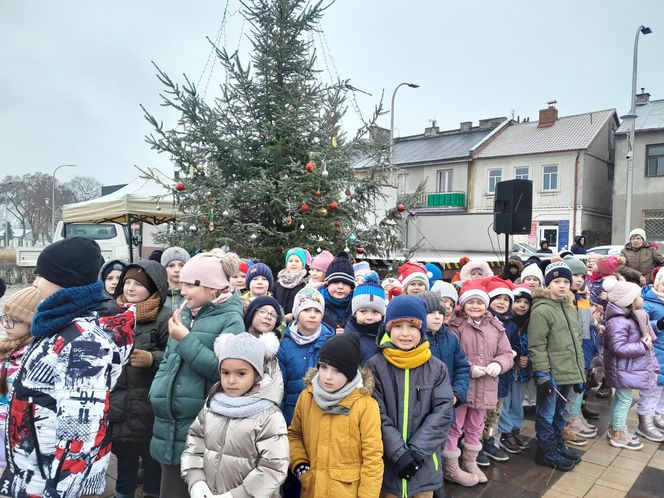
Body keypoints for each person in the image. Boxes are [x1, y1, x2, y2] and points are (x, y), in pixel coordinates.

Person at [1, 237, 135, 497]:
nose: (35, 282)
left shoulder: (84, 342)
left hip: (54, 481)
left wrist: (59, 491)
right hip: (35, 471)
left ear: (65, 282)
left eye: (41, 275)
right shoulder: (62, 324)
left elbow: (80, 433)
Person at [149, 252, 245, 498]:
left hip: (199, 420)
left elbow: (223, 371)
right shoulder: (183, 313)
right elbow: (169, 359)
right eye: (182, 284)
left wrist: (186, 340)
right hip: (169, 416)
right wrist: (157, 391)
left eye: (191, 285)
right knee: (169, 485)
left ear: (213, 288)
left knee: (194, 483)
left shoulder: (231, 319)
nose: (183, 291)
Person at [182, 333, 289, 498]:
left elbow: (273, 467)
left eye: (241, 374)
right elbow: (195, 441)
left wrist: (237, 495)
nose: (231, 380)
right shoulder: (212, 405)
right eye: (225, 373)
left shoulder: (269, 415)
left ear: (257, 374)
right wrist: (196, 479)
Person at [368, 295, 454, 497]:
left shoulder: (436, 368)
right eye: (398, 326)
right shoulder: (375, 366)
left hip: (424, 464)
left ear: (421, 329)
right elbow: (375, 414)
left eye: (412, 326)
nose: (405, 333)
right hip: (390, 464)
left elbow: (442, 412)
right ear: (389, 329)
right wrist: (399, 454)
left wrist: (416, 452)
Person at [289, 333, 384, 498]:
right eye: (324, 367)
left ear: (349, 373)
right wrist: (300, 466)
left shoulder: (365, 405)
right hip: (312, 489)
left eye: (337, 371)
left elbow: (373, 458)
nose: (327, 376)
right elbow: (294, 434)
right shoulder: (307, 396)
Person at [111, 261, 171, 498]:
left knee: (151, 462)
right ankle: (122, 493)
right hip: (120, 404)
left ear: (154, 287)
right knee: (124, 461)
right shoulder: (113, 313)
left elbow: (175, 354)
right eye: (127, 282)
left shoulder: (163, 317)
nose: (130, 288)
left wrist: (152, 358)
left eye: (138, 284)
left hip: (149, 406)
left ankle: (151, 493)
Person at [529, 262, 586, 471]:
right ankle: (545, 450)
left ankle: (556, 443)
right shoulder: (542, 310)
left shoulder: (569, 307)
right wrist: (543, 374)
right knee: (546, 413)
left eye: (565, 281)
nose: (562, 285)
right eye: (556, 281)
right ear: (548, 284)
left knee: (560, 413)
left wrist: (581, 375)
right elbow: (537, 345)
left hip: (569, 372)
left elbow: (576, 342)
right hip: (552, 374)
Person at [603, 277, 659, 450]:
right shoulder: (618, 321)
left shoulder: (633, 317)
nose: (642, 299)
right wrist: (642, 345)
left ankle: (615, 428)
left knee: (622, 399)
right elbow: (617, 347)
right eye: (639, 297)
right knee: (624, 400)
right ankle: (618, 433)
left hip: (627, 369)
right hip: (622, 369)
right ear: (629, 302)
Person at [277, 287, 335, 425]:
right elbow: (280, 386)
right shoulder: (284, 345)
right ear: (297, 312)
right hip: (292, 413)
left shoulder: (330, 342)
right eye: (306, 310)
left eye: (317, 310)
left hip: (323, 412)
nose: (313, 315)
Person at [0, 287, 40, 471]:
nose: (6, 325)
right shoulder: (5, 349)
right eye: (4, 318)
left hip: (18, 438)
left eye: (13, 320)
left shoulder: (33, 356)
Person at [419, 291, 470, 412]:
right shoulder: (414, 341)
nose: (437, 316)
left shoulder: (451, 338)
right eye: (431, 313)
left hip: (447, 404)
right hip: (422, 408)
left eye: (441, 313)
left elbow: (462, 368)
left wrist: (456, 395)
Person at [497, 286, 533, 453]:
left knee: (518, 401)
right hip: (506, 370)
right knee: (506, 401)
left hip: (523, 371)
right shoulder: (506, 323)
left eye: (526, 302)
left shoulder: (532, 322)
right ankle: (505, 431)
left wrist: (530, 359)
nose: (522, 305)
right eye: (517, 301)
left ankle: (515, 428)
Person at [344, 272, 386, 365]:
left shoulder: (388, 336)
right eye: (363, 311)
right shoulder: (347, 340)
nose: (369, 317)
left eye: (375, 312)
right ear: (355, 313)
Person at [244, 295, 284, 386]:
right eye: (262, 311)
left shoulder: (276, 351)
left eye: (273, 315)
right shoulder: (236, 341)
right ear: (251, 314)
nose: (268, 317)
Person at [642, 267, 664, 432]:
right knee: (652, 388)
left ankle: (659, 414)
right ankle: (645, 420)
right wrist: (660, 324)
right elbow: (643, 327)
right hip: (655, 352)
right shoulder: (648, 302)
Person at [320, 254, 355, 333]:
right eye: (335, 282)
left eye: (346, 283)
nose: (340, 287)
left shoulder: (356, 304)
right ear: (327, 284)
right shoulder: (317, 302)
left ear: (351, 287)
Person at [274, 248, 310, 322]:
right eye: (290, 261)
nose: (293, 263)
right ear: (286, 264)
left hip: (296, 322)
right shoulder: (278, 283)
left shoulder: (306, 284)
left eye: (297, 261)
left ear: (303, 265)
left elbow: (307, 306)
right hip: (276, 322)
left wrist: (293, 316)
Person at [161, 246, 191, 310]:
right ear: (164, 269)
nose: (177, 270)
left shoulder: (195, 296)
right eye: (171, 265)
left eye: (181, 265)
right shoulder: (158, 297)